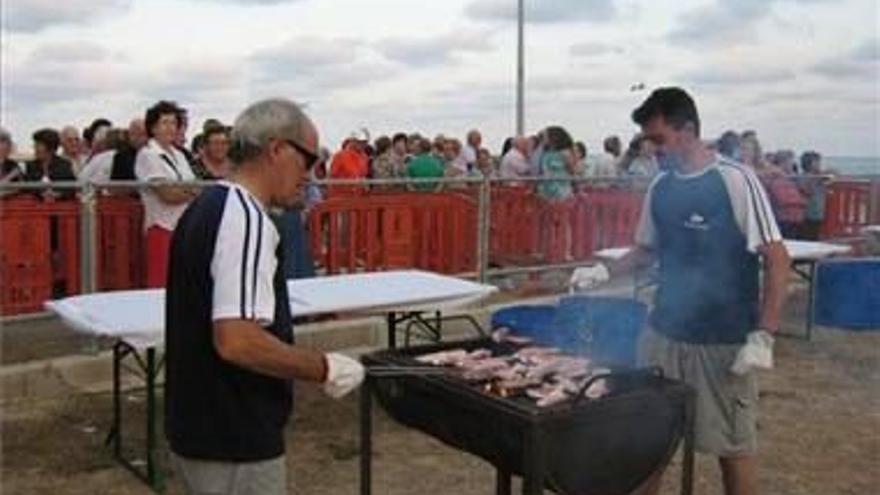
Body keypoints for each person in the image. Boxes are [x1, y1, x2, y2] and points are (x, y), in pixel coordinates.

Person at [571, 87, 790, 495]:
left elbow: (777, 259)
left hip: (723, 340)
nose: (652, 148)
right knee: (648, 443)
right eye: (648, 140)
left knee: (733, 446)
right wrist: (604, 272)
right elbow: (645, 251)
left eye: (658, 138)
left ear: (687, 130)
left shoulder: (735, 180)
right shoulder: (661, 187)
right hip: (663, 334)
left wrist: (765, 334)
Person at [165, 98, 364, 495]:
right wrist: (323, 367)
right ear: (277, 149)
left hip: (197, 430)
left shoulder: (209, 204)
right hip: (233, 438)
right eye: (309, 161)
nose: (311, 176)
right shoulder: (245, 218)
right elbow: (237, 341)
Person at [136, 100, 199, 288]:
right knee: (161, 284)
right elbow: (167, 194)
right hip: (162, 227)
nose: (170, 127)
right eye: (164, 122)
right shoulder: (148, 155)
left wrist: (185, 191)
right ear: (153, 127)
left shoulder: (179, 154)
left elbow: (194, 187)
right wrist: (190, 192)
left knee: (183, 283)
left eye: (173, 123)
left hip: (184, 227)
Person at [23, 128, 77, 199]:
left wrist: (58, 194)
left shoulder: (64, 165)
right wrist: (40, 194)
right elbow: (26, 189)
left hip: (59, 207)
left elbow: (72, 189)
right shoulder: (30, 166)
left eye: (38, 145)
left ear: (50, 147)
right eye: (35, 144)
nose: (35, 148)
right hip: (36, 207)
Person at [536, 126, 575, 202]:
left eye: (545, 136)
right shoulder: (545, 153)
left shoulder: (565, 153)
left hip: (561, 189)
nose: (543, 139)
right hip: (546, 189)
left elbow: (572, 170)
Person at [798, 151, 829, 240]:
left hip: (818, 213)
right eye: (817, 162)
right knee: (808, 237)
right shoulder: (803, 177)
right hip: (808, 214)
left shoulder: (820, 176)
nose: (819, 164)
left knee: (815, 235)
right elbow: (806, 190)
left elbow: (835, 174)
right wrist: (815, 179)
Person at [110, 118, 148, 183]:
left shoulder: (155, 154)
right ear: (130, 136)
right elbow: (117, 185)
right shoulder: (121, 157)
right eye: (135, 134)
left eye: (143, 134)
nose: (142, 139)